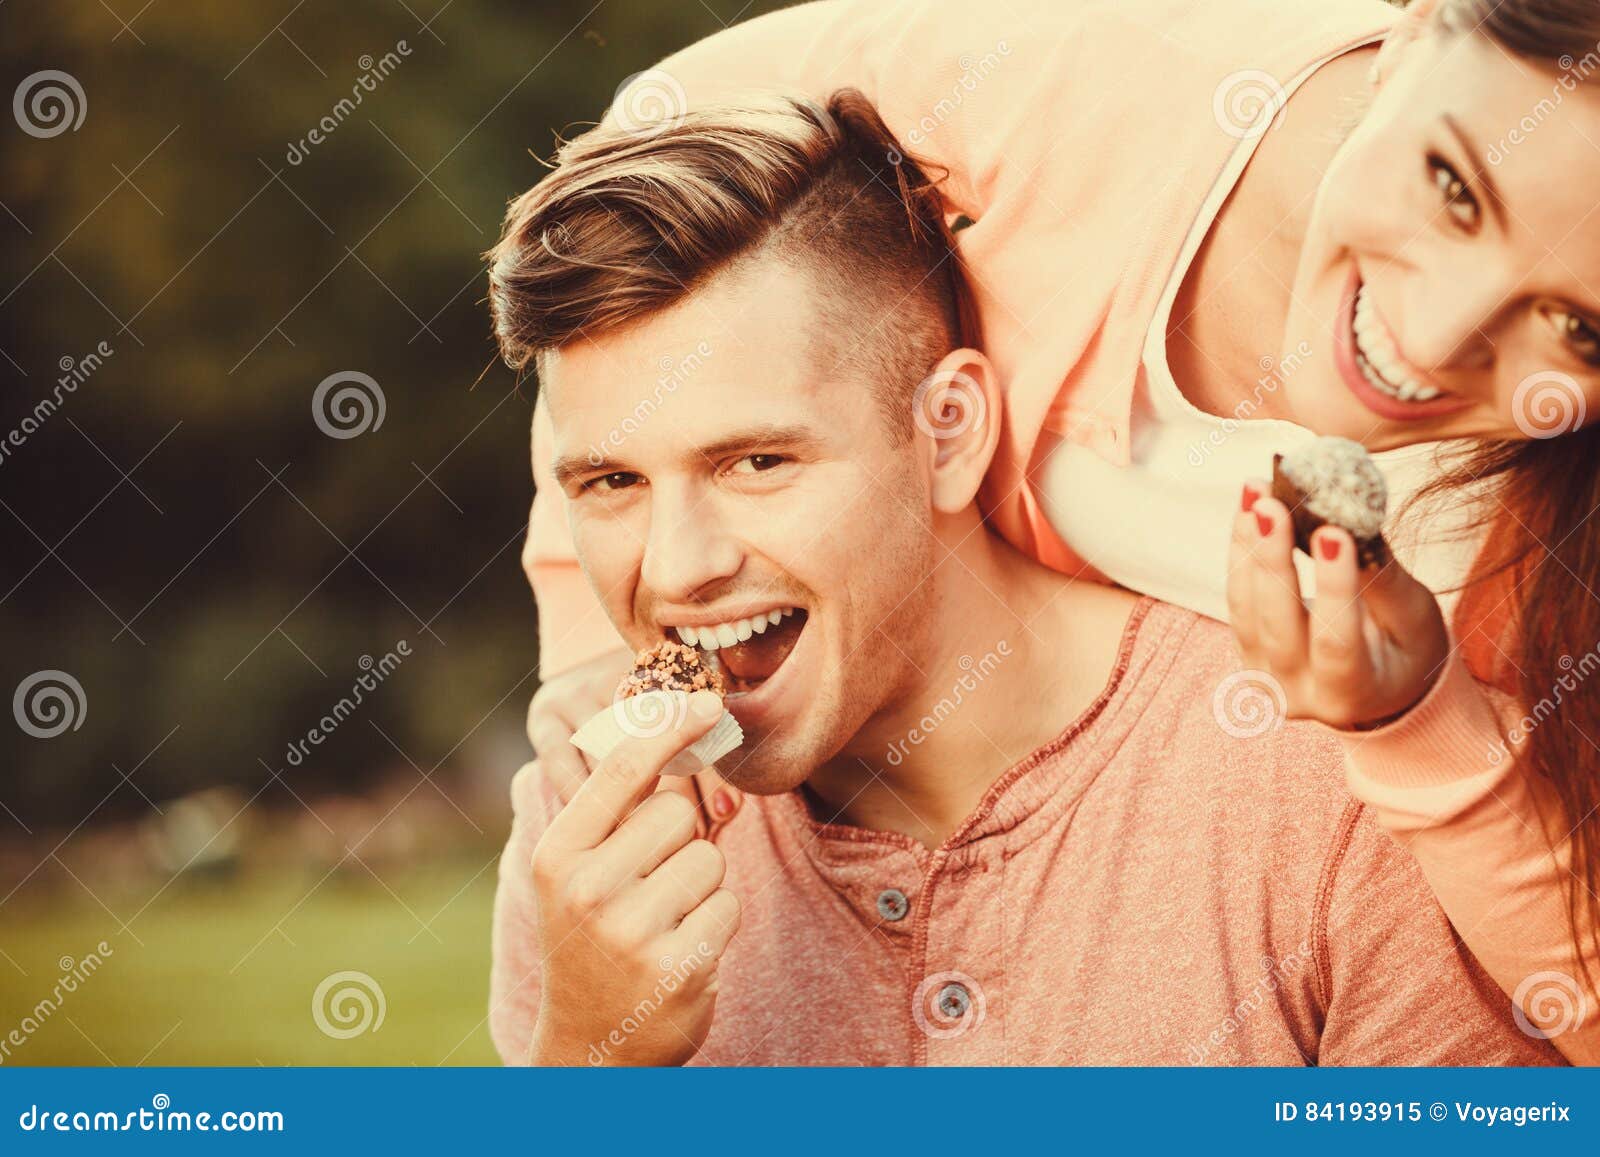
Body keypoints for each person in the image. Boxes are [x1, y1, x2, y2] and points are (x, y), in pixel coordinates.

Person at [516, 0, 1600, 1061]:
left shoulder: (1354, 806)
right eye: (1453, 187)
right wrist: (597, 659)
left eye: (1583, 328)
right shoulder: (1092, 82)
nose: (1434, 329)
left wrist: (1415, 724)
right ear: (1412, 25)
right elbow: (641, 218)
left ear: (954, 426)